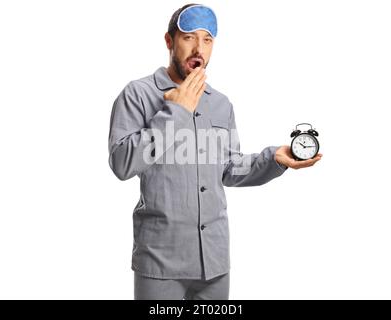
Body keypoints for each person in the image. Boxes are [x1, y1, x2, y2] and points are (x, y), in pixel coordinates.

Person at [108, 3, 323, 300]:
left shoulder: (221, 104)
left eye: (207, 39)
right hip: (160, 261)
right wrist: (176, 110)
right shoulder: (138, 94)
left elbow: (229, 169)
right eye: (188, 37)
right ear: (169, 41)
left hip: (214, 263)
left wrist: (273, 159)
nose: (199, 48)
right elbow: (121, 163)